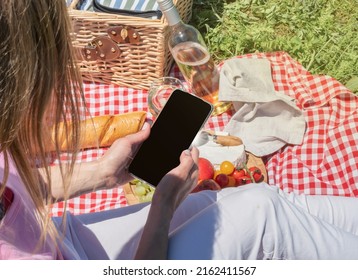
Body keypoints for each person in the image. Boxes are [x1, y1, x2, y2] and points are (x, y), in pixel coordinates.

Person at [1, 0, 358, 260]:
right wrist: (163, 208)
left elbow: (8, 193)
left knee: (251, 201)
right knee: (262, 215)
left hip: (61, 240)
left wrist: (100, 173)